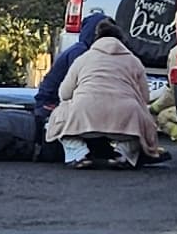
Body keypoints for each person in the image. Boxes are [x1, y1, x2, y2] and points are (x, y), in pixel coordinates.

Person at [45, 17, 159, 166]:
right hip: (126, 123)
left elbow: (64, 94)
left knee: (58, 115)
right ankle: (124, 154)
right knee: (141, 116)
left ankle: (77, 153)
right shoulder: (134, 61)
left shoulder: (83, 58)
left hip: (84, 116)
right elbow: (145, 98)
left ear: (96, 39)